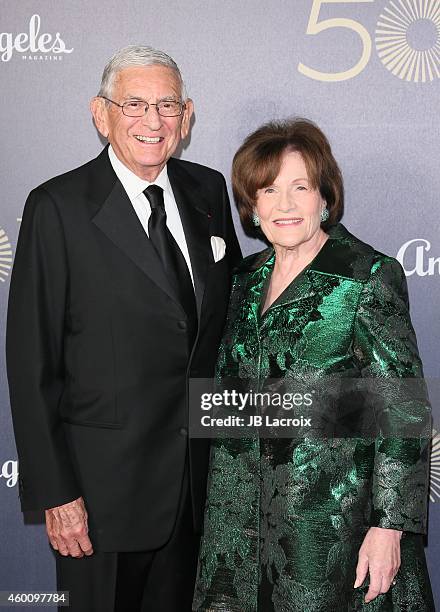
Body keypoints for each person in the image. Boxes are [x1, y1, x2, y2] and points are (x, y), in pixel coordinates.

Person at [6, 45, 241, 612]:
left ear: (187, 116)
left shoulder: (208, 191)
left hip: (195, 490)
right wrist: (58, 493)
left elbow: (222, 328)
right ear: (100, 113)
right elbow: (31, 361)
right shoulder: (57, 207)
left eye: (167, 105)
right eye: (134, 104)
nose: (153, 121)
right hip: (101, 499)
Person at [193, 119, 433, 611]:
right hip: (236, 529)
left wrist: (388, 527)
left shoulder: (365, 276)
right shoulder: (241, 280)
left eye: (299, 187)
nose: (284, 204)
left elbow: (404, 410)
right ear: (251, 207)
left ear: (324, 197)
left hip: (329, 533)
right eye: (268, 189)